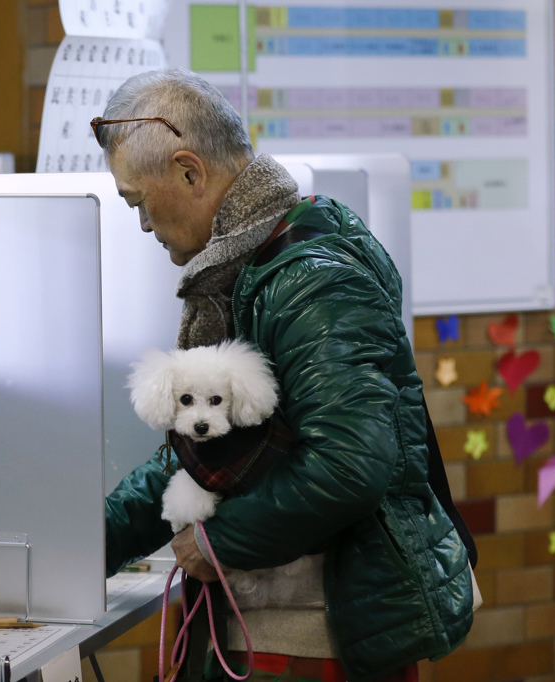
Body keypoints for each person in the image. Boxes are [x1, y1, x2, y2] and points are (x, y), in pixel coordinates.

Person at [94, 68, 473, 682]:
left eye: (138, 201)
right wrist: (89, 544)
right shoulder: (256, 268)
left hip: (315, 632)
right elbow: (215, 450)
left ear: (190, 171)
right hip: (287, 622)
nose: (142, 224)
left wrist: (218, 541)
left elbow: (349, 464)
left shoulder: (308, 280)